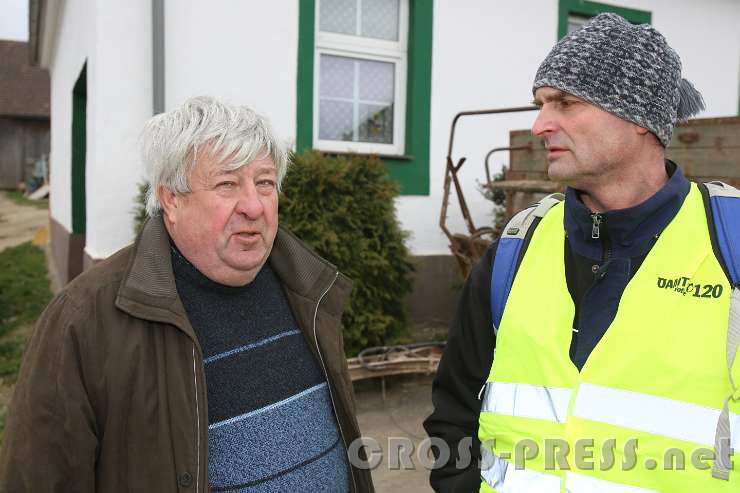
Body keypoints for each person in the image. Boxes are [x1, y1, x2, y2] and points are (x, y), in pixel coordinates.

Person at [425, 13, 740, 492]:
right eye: (541, 104)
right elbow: (454, 415)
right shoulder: (515, 249)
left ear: (638, 117)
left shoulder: (730, 244)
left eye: (565, 103)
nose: (539, 125)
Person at [0, 96, 374, 493]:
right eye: (227, 183)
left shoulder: (307, 289)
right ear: (171, 200)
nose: (254, 205)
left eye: (264, 182)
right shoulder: (83, 319)